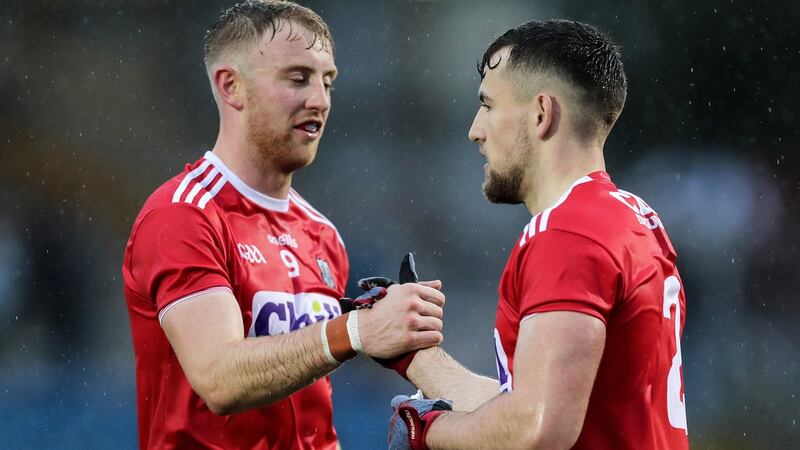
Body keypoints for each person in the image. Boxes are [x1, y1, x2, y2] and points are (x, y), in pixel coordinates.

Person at [121, 1, 446, 449]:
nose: (320, 100)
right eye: (298, 79)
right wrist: (354, 331)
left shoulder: (322, 233)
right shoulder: (183, 215)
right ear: (231, 87)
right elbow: (219, 379)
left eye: (327, 81)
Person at [387, 20, 689, 449]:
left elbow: (538, 427)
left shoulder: (567, 233)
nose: (475, 129)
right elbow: (533, 402)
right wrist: (412, 355)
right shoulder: (630, 218)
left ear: (541, 113)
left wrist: (429, 432)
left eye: (488, 105)